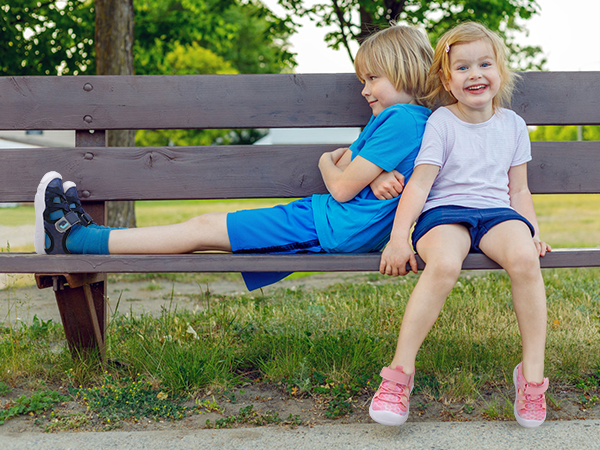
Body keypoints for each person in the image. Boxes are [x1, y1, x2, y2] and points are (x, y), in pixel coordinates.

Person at [35, 25, 434, 292]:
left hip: (332, 225)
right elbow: (358, 165)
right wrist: (368, 173)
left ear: (404, 69)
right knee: (203, 229)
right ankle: (85, 237)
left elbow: (344, 182)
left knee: (203, 229)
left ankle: (77, 239)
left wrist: (325, 163)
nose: (365, 90)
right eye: (362, 80)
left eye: (372, 79)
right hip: (330, 221)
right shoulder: (409, 120)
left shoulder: (399, 120)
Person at [371, 22, 551, 429]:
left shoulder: (513, 126)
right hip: (445, 213)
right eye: (463, 67)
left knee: (525, 259)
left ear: (500, 71)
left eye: (485, 64)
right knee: (446, 264)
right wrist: (400, 237)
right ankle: (399, 377)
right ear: (447, 80)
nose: (475, 74)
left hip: (496, 214)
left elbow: (518, 191)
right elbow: (419, 184)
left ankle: (532, 377)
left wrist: (533, 231)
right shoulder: (442, 122)